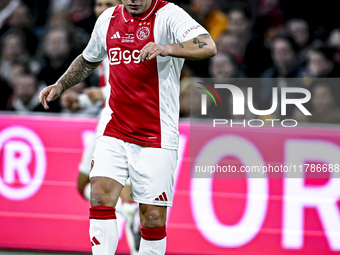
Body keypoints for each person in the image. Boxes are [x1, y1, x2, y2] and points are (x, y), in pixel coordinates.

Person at [39, 0, 216, 254]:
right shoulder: (108, 19)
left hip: (157, 133)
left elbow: (208, 45)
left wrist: (167, 48)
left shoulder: (169, 15)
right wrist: (61, 85)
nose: (133, 0)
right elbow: (88, 59)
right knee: (99, 193)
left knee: (152, 217)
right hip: (115, 127)